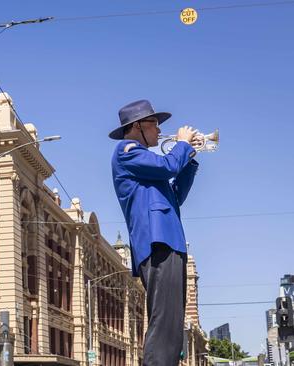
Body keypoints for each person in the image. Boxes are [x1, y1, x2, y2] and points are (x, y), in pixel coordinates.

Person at [110, 99, 201, 365]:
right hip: (156, 241)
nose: (161, 132)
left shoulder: (146, 163)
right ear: (137, 126)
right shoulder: (127, 150)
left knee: (172, 323)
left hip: (168, 240)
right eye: (155, 125)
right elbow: (167, 167)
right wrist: (182, 144)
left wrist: (190, 158)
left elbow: (176, 194)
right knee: (164, 321)